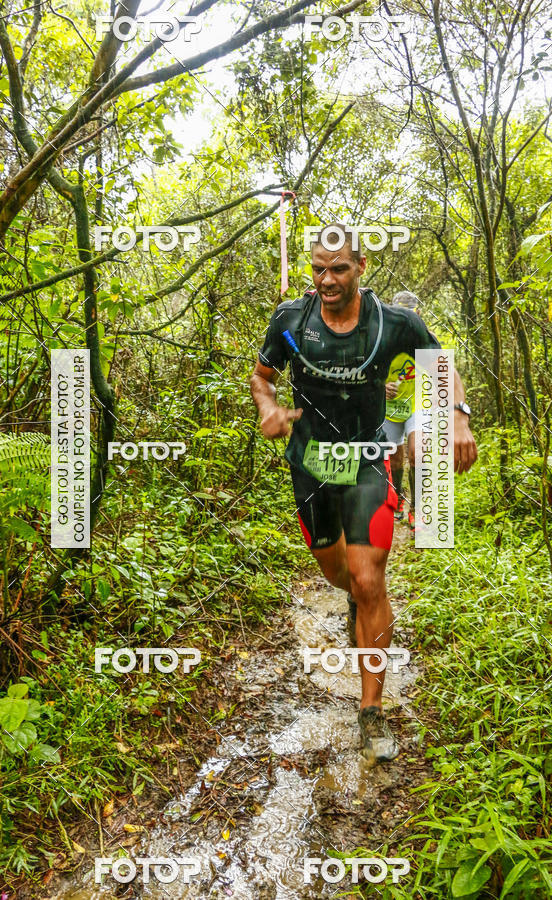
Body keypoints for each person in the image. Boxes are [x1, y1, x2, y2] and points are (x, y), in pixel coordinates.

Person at [250, 224, 477, 764]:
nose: (327, 280)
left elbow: (441, 371)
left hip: (371, 461)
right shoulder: (291, 322)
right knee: (342, 576)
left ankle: (371, 710)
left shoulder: (394, 324)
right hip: (310, 467)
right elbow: (263, 377)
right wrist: (269, 409)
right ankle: (355, 597)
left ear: (361, 267)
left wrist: (458, 418)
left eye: (339, 269)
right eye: (318, 270)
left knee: (370, 578)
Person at [382, 291, 423, 531]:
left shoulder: (425, 337)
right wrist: (380, 387)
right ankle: (398, 498)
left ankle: (416, 510)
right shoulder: (383, 339)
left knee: (416, 453)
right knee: (396, 459)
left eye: (411, 312)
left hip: (416, 405)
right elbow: (367, 372)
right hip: (389, 408)